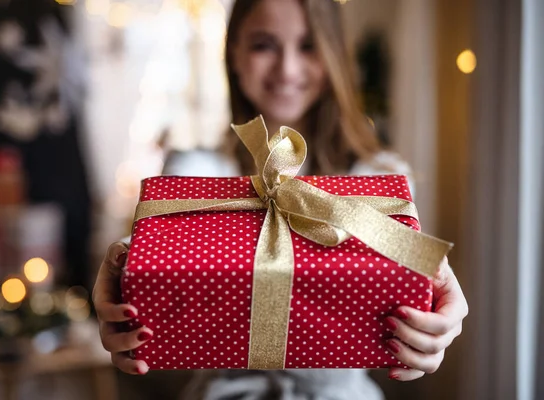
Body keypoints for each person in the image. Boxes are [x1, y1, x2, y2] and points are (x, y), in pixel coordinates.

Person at [93, 0, 469, 398]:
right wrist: (121, 269)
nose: (287, 69)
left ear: (334, 55)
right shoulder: (195, 173)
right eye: (263, 45)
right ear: (233, 53)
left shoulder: (376, 180)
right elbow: (156, 256)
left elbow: (414, 277)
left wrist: (439, 295)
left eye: (308, 46)